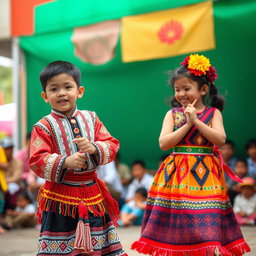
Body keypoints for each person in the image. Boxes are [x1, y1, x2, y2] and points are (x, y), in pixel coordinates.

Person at [132, 54, 250, 255]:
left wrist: (196, 121)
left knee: (207, 212)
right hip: (177, 173)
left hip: (207, 174)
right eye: (177, 89)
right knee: (181, 215)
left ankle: (208, 249)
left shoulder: (214, 113)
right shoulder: (173, 114)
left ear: (203, 89)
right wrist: (187, 123)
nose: (181, 94)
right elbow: (164, 143)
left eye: (187, 88)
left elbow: (220, 140)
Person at [29, 61, 127, 256]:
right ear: (45, 96)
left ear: (79, 91)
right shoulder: (43, 126)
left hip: (92, 193)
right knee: (62, 245)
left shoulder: (92, 118)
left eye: (68, 87)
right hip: (60, 198)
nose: (62, 93)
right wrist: (65, 162)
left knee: (96, 244)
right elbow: (36, 160)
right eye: (54, 89)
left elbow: (112, 144)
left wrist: (93, 147)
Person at [1, 137, 23, 210]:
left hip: (12, 185)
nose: (9, 151)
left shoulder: (18, 162)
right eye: (6, 149)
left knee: (12, 186)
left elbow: (16, 177)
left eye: (11, 149)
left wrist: (4, 182)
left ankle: (11, 209)